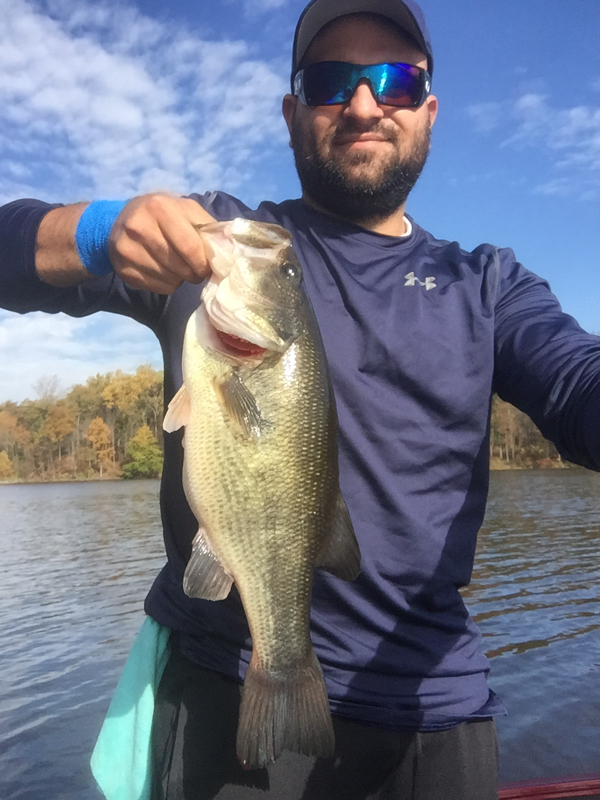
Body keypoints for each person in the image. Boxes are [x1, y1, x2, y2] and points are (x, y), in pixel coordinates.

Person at [1, 0, 599, 798]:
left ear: (428, 108)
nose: (362, 104)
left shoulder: (488, 283)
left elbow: (574, 383)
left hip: (433, 713)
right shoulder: (219, 244)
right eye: (330, 81)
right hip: (225, 692)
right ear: (293, 112)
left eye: (394, 79)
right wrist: (99, 231)